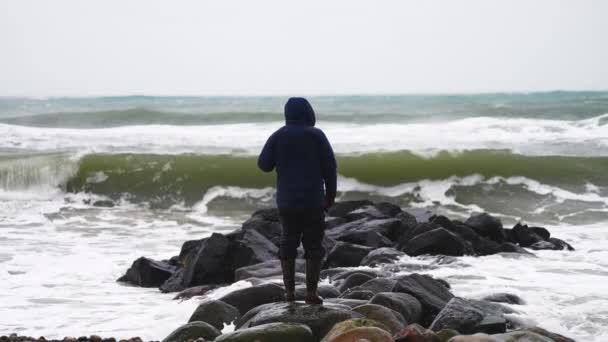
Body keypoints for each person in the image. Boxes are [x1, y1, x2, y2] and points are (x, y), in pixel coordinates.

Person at [257, 97, 337, 305]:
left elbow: (263, 165)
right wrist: (330, 198)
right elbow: (330, 169)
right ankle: (311, 293)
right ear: (308, 113)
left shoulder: (278, 136)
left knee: (288, 243)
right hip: (313, 202)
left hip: (287, 202)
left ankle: (290, 293)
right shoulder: (317, 135)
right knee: (313, 245)